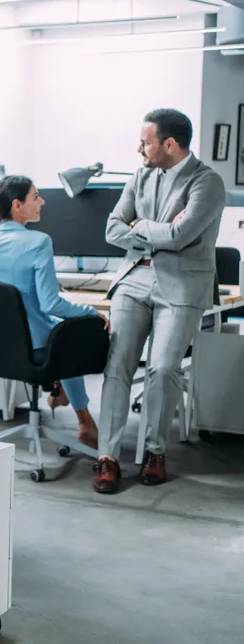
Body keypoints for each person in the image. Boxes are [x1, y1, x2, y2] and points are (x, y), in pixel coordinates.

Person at [97, 109, 226, 493]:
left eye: (146, 142)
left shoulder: (207, 182)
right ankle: (107, 456)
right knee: (116, 365)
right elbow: (112, 228)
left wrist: (140, 227)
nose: (139, 149)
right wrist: (155, 231)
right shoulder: (141, 176)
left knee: (163, 368)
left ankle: (154, 451)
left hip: (182, 285)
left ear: (169, 144)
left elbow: (181, 234)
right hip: (134, 278)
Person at [0, 175, 107, 449]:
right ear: (17, 206)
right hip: (32, 348)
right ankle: (81, 417)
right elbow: (50, 304)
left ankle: (61, 394)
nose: (42, 201)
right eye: (36, 196)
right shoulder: (38, 242)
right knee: (79, 330)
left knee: (59, 330)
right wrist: (92, 312)